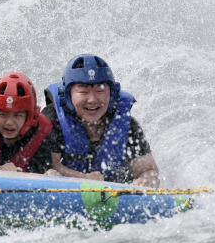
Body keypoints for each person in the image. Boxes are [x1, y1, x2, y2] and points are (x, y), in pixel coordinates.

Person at [42, 54, 160, 187]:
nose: (92, 100)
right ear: (67, 95)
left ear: (112, 94)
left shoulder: (126, 125)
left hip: (114, 197)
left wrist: (146, 181)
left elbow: (147, 169)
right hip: (64, 193)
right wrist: (84, 178)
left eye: (100, 91)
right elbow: (48, 166)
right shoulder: (52, 119)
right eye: (83, 92)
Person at [0, 72, 60, 175]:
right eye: (2, 114)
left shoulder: (40, 130)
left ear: (30, 117)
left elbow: (42, 169)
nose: (9, 122)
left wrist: (49, 174)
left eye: (17, 115)